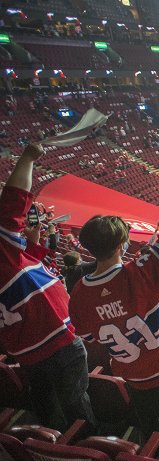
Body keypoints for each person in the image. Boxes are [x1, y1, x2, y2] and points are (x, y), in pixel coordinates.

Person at [71, 173, 159, 447]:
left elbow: (90, 337)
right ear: (121, 246)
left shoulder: (79, 293)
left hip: (133, 375)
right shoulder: (140, 272)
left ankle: (152, 460)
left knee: (148, 423)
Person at [1, 144, 97, 433]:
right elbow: (13, 202)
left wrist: (30, 243)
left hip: (24, 348)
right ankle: (87, 446)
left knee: (44, 399)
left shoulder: (10, 257)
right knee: (76, 400)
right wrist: (28, 157)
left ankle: (50, 444)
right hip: (55, 340)